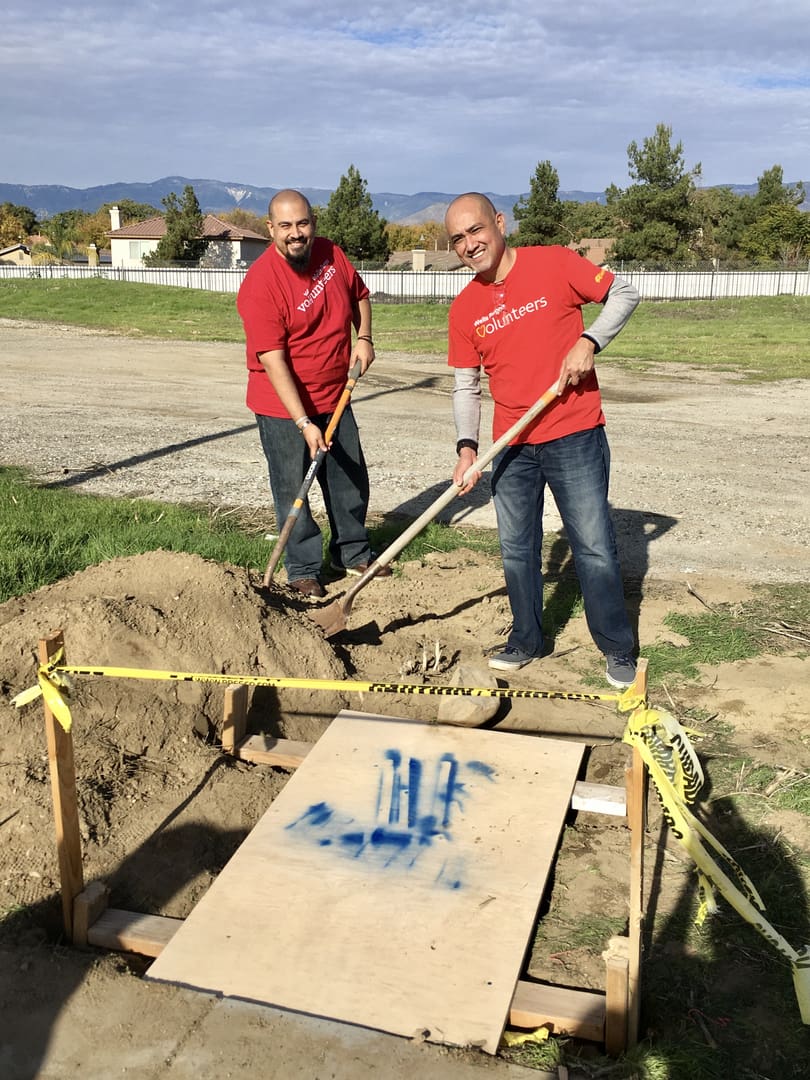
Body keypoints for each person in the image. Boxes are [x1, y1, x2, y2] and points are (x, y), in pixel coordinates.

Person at [444, 192, 640, 687]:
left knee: (593, 546)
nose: (469, 244)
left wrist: (588, 341)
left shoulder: (553, 262)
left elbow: (625, 294)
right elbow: (466, 384)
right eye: (458, 239)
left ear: (499, 222)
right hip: (511, 444)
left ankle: (617, 648)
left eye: (476, 230)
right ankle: (528, 638)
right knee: (516, 548)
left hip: (573, 432)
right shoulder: (465, 308)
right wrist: (468, 448)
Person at [237, 189, 389, 598]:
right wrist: (303, 422)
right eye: (285, 226)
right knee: (295, 486)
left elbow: (359, 296)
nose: (295, 233)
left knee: (349, 478)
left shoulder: (332, 254)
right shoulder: (260, 284)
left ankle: (352, 552)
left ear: (313, 223)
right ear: (271, 229)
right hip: (283, 406)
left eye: (302, 223)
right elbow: (273, 361)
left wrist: (366, 338)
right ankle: (303, 568)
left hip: (336, 392)